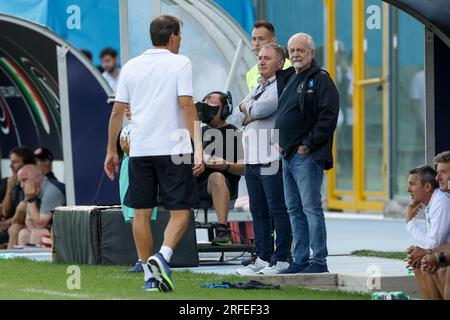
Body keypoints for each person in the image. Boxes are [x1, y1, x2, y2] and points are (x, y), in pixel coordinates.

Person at [104, 15, 203, 293]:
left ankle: (150, 274)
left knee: (141, 214)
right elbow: (186, 105)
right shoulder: (180, 62)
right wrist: (199, 147)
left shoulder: (132, 66)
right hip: (174, 149)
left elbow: (116, 111)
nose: (180, 40)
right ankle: (163, 256)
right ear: (172, 36)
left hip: (141, 149)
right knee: (182, 211)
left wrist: (111, 150)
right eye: (180, 35)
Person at [274, 33, 339, 274]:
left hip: (306, 156)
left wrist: (308, 144)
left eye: (301, 50)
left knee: (310, 207)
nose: (296, 55)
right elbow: (284, 114)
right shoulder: (292, 78)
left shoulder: (321, 80)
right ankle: (300, 259)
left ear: (312, 53)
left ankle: (318, 260)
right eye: (292, 51)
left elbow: (328, 117)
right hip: (288, 155)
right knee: (294, 209)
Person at [236, 44, 292, 275]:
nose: (261, 62)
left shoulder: (280, 86)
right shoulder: (260, 85)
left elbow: (260, 110)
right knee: (258, 211)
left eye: (267, 59)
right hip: (252, 159)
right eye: (259, 58)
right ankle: (262, 256)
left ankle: (281, 259)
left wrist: (247, 106)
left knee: (277, 209)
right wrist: (248, 108)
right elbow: (238, 114)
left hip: (270, 157)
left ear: (280, 63)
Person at [196, 91, 244, 245]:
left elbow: (244, 168)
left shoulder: (234, 133)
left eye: (212, 107)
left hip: (223, 185)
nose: (207, 111)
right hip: (195, 184)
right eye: (205, 107)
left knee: (217, 177)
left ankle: (222, 230)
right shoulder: (196, 133)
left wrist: (226, 165)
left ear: (224, 111)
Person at [406, 164, 450, 299]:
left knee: (428, 262)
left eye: (412, 184)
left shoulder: (440, 201)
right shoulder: (432, 202)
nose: (408, 190)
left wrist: (410, 222)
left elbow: (433, 244)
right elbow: (432, 244)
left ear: (427, 187)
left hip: (446, 256)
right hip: (444, 253)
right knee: (418, 261)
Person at [16, 165, 65, 245]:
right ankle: (24, 258)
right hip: (48, 228)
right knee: (23, 233)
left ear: (37, 178)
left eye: (24, 180)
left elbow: (40, 224)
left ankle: (38, 258)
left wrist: (31, 200)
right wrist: (33, 230)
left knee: (36, 234)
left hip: (65, 231)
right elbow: (28, 221)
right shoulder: (31, 191)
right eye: (20, 182)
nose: (21, 185)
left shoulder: (51, 190)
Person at [0, 147, 36, 244]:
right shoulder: (13, 182)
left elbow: (21, 214)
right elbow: (5, 212)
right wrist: (9, 189)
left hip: (28, 225)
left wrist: (4, 223)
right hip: (14, 224)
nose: (11, 166)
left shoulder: (33, 182)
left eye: (15, 162)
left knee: (14, 228)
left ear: (26, 163)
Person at [246, 20, 291, 91]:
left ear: (273, 41)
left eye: (261, 39)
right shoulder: (250, 74)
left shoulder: (289, 66)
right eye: (254, 39)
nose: (256, 43)